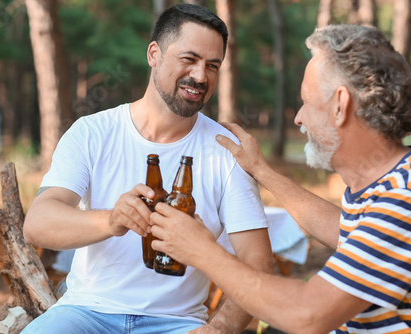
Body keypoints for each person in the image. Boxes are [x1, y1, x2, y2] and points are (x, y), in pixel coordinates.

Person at [150, 24, 411, 334]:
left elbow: (308, 316)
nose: (298, 118)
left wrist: (203, 251)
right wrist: (263, 172)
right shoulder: (401, 179)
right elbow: (343, 230)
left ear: (340, 105)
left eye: (307, 102)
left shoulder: (409, 197)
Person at [22, 4, 273, 334]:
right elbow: (38, 224)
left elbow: (259, 263)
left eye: (213, 65)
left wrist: (219, 329)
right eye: (189, 59)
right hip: (86, 314)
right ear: (154, 53)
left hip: (178, 323)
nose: (201, 76)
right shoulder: (91, 132)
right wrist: (111, 219)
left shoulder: (227, 150)